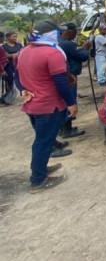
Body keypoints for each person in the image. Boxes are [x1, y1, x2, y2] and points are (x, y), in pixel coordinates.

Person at [15, 20, 77, 193]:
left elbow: (17, 77)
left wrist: (23, 90)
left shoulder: (24, 51)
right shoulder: (52, 53)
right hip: (49, 105)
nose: (58, 36)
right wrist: (71, 103)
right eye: (56, 33)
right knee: (43, 141)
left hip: (32, 105)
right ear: (49, 35)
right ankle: (38, 180)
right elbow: (60, 82)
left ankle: (40, 168)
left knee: (42, 139)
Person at [58, 22, 90, 138]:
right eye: (75, 31)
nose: (76, 33)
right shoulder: (67, 44)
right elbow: (83, 56)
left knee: (62, 103)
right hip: (69, 78)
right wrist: (85, 49)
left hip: (62, 77)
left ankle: (62, 128)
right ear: (68, 32)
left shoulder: (58, 42)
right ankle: (67, 129)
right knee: (69, 101)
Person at [2, 31, 23, 98]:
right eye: (13, 36)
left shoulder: (19, 45)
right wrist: (17, 54)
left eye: (16, 36)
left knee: (21, 79)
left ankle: (23, 93)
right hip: (8, 65)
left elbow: (23, 53)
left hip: (19, 64)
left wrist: (12, 55)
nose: (15, 38)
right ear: (8, 37)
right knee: (9, 79)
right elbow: (5, 56)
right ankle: (10, 95)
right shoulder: (4, 46)